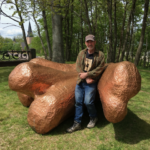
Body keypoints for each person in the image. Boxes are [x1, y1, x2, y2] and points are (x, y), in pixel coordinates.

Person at [66, 34, 105, 133]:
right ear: (85, 43)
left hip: (91, 82)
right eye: (88, 41)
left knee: (88, 102)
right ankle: (77, 123)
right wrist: (83, 76)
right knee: (78, 102)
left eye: (91, 41)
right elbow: (78, 66)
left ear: (95, 42)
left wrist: (88, 75)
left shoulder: (100, 55)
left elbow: (100, 68)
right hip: (80, 81)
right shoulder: (82, 53)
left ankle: (93, 117)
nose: (89, 43)